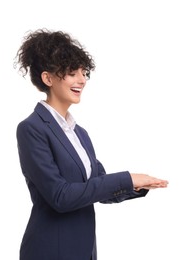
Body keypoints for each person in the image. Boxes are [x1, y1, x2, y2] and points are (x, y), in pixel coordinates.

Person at [14, 28, 168, 260]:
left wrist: (137, 185)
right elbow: (60, 197)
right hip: (50, 251)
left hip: (85, 251)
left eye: (84, 72)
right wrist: (127, 178)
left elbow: (98, 187)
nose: (82, 80)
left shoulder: (80, 133)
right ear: (48, 78)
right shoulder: (32, 128)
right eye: (72, 73)